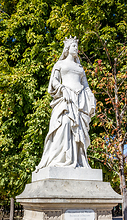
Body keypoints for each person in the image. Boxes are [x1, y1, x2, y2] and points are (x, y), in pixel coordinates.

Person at [35, 36, 96, 171]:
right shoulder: (60, 64)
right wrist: (63, 89)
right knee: (64, 125)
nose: (76, 49)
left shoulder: (80, 68)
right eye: (74, 46)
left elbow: (85, 85)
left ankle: (77, 161)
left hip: (80, 101)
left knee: (79, 131)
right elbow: (54, 82)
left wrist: (91, 98)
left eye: (77, 46)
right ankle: (60, 158)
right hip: (65, 99)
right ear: (67, 48)